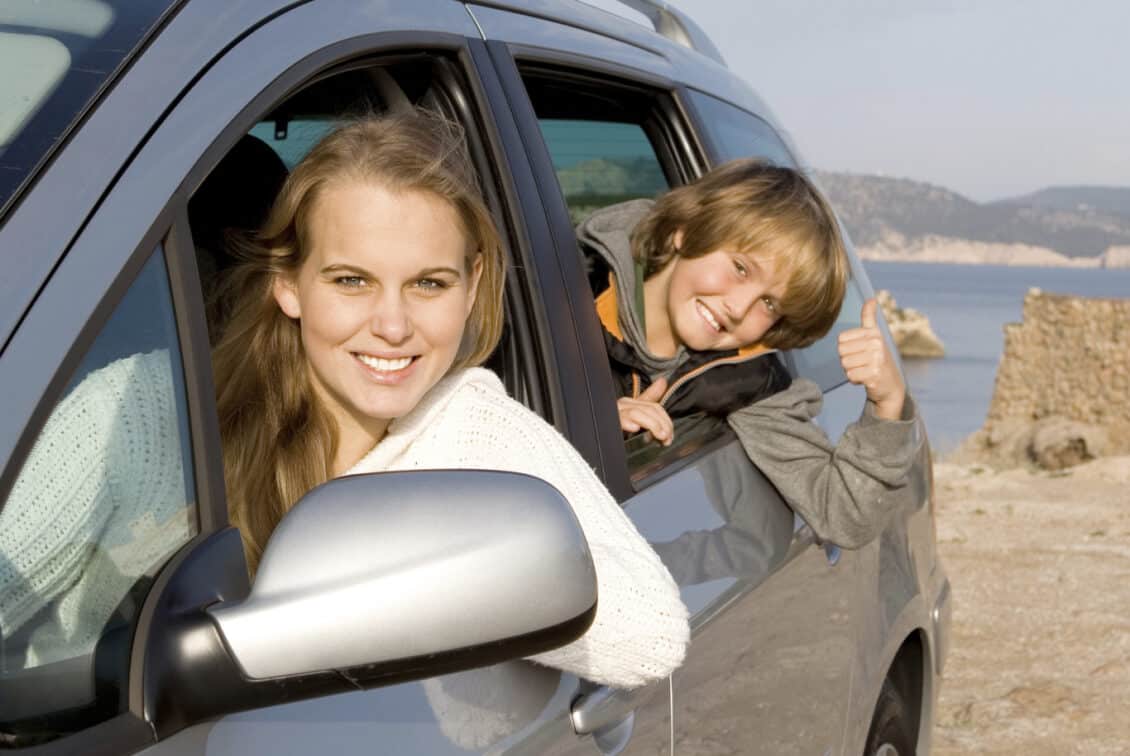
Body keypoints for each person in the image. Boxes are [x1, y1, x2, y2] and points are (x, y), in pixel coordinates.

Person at [210, 110, 688, 689]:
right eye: (351, 281)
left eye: (428, 283)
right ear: (287, 283)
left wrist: (439, 561)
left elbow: (651, 636)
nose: (392, 326)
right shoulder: (157, 411)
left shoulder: (468, 428)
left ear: (472, 287)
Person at [577, 159, 922, 549]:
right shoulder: (564, 293)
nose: (738, 307)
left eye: (770, 304)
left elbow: (844, 517)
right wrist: (585, 426)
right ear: (684, 232)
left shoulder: (745, 378)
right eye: (741, 268)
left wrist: (887, 402)